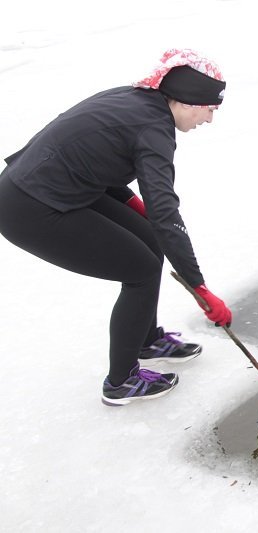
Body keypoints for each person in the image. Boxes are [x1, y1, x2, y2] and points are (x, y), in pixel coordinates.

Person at [0, 49, 233, 406]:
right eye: (211, 110)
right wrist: (200, 287)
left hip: (49, 185)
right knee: (139, 270)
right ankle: (121, 382)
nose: (210, 119)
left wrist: (135, 207)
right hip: (31, 206)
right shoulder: (154, 129)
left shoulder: (138, 101)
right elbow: (166, 211)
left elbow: (94, 159)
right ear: (189, 102)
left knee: (148, 242)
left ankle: (147, 340)